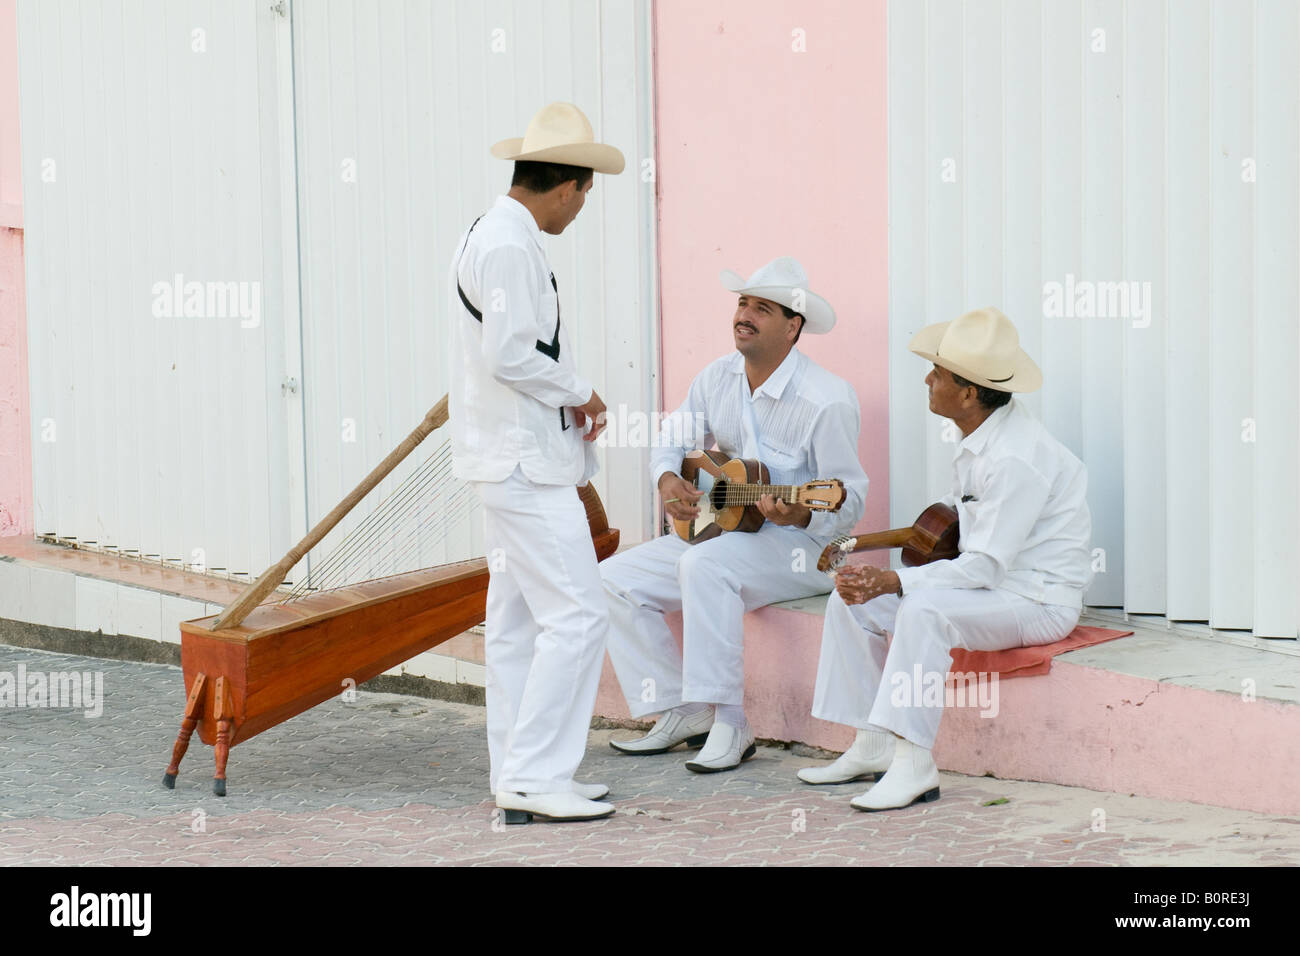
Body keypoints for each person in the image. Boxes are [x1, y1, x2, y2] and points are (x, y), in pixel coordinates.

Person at [800, 307, 1093, 811]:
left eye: (940, 373)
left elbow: (984, 567)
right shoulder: (983, 437)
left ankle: (914, 765)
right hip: (992, 590)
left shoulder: (1016, 458)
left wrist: (895, 580)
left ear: (969, 393)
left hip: (1036, 600)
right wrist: (880, 579)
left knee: (922, 610)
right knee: (849, 602)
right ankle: (871, 744)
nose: (928, 379)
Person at [601, 257, 869, 773]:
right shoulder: (716, 377)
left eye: (762, 308)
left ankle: (731, 721)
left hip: (803, 546)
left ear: (793, 327)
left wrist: (797, 516)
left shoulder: (827, 399)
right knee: (612, 580)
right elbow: (673, 437)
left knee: (706, 566)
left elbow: (848, 497)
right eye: (742, 303)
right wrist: (666, 479)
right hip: (720, 527)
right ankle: (686, 710)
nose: (744, 314)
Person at [448, 102, 624, 823]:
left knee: (520, 625)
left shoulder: (488, 234)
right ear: (567, 185)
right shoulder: (512, 247)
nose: (580, 211)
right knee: (580, 616)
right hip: (525, 465)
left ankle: (518, 771)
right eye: (584, 196)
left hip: (509, 459)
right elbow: (512, 353)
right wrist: (582, 391)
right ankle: (534, 775)